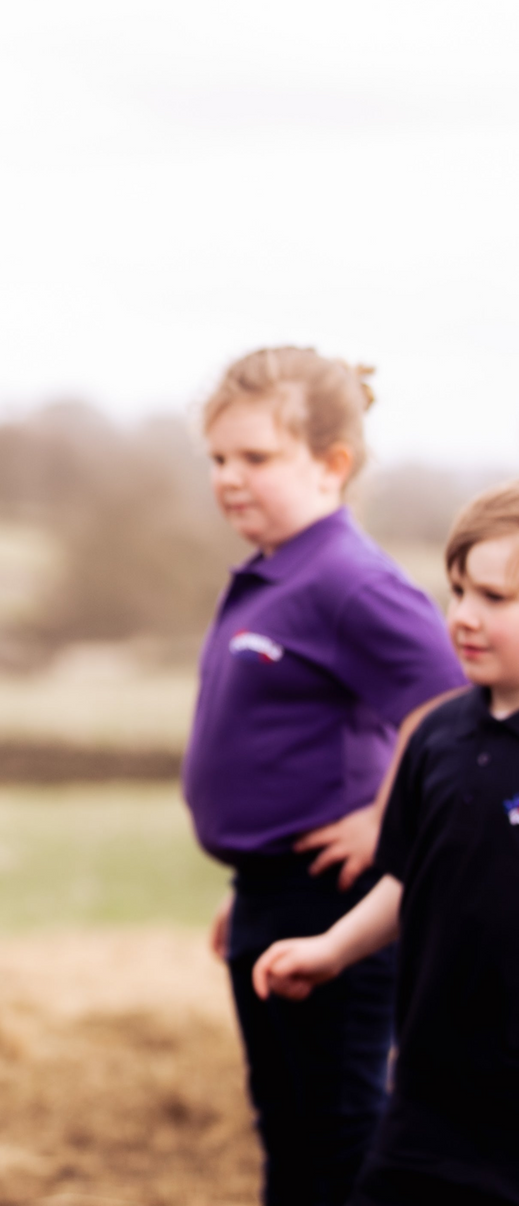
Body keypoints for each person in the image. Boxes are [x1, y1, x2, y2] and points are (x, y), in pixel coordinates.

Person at [182, 347, 464, 1206]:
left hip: (335, 901)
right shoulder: (277, 572)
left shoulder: (349, 580)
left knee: (342, 1144)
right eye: (218, 459)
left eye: (255, 458)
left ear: (331, 463)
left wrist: (387, 824)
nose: (229, 478)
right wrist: (258, 877)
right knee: (287, 1132)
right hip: (275, 887)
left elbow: (447, 705)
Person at [255, 482, 519, 1206]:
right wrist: (331, 948)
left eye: (495, 598)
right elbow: (409, 878)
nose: (462, 616)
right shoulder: (437, 737)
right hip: (427, 1100)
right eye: (458, 590)